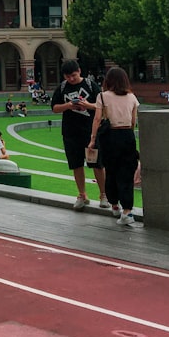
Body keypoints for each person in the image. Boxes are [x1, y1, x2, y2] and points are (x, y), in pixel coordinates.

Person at [51, 59, 108, 211]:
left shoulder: (90, 85)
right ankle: (82, 194)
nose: (71, 79)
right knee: (76, 164)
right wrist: (68, 105)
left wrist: (86, 105)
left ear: (79, 71)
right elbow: (55, 108)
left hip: (90, 132)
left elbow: (101, 106)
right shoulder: (62, 88)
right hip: (70, 132)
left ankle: (103, 194)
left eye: (73, 76)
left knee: (97, 163)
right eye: (68, 76)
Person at [88, 67, 140, 227]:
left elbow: (97, 120)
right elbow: (133, 122)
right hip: (127, 136)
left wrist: (92, 140)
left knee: (111, 171)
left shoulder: (103, 96)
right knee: (126, 173)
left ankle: (115, 204)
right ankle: (128, 211)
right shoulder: (132, 97)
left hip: (109, 136)